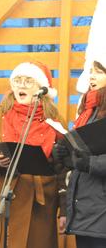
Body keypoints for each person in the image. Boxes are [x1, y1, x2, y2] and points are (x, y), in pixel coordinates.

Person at [0, 61, 66, 248]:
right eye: (17, 80)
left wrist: (65, 209)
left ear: (41, 87)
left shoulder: (55, 121)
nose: (21, 85)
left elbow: (64, 168)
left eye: (28, 81)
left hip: (39, 206)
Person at [55, 57, 106, 248]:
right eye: (90, 71)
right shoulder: (88, 110)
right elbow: (84, 153)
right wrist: (66, 155)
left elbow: (90, 159)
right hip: (85, 209)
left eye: (99, 71)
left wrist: (89, 163)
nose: (91, 76)